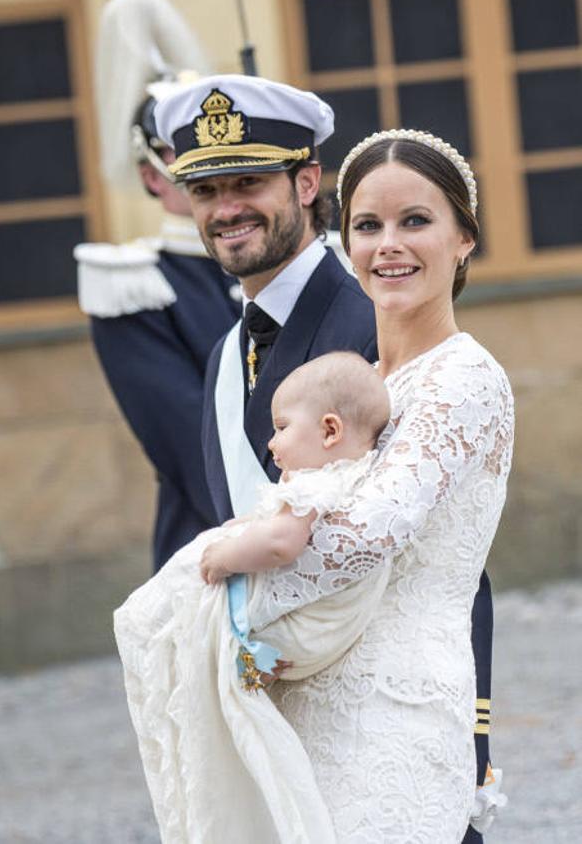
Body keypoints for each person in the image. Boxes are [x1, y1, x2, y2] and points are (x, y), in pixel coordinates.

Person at [155, 76, 499, 841]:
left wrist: (471, 741)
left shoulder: (379, 319)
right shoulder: (222, 353)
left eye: (248, 182)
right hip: (292, 711)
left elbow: (440, 557)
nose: (228, 207)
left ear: (306, 184)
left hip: (395, 716)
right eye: (206, 189)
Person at [114, 351, 392, 843]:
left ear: (329, 431)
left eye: (282, 427)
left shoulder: (312, 486)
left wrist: (226, 556)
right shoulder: (363, 479)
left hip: (305, 628)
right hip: (326, 632)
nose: (272, 442)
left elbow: (282, 544)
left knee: (167, 616)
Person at [74, 0, 241, 570]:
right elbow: (196, 454)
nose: (212, 172)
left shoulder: (309, 259)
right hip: (218, 550)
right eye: (186, 157)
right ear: (152, 176)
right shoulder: (136, 290)